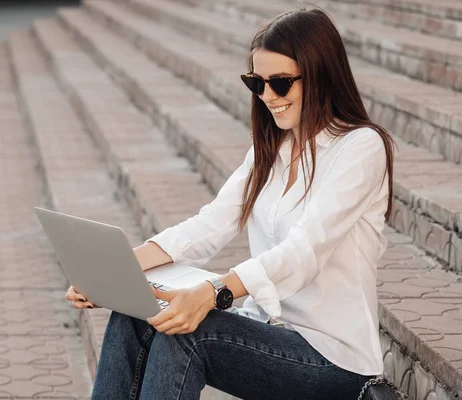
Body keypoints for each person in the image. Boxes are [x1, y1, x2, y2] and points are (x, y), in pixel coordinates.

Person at [66, 6, 396, 400]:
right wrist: (113, 269)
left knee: (187, 334)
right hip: (267, 333)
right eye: (257, 83)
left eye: (281, 82)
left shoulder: (360, 147)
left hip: (334, 359)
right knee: (135, 315)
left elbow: (304, 250)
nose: (268, 97)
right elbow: (211, 225)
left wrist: (214, 292)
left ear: (321, 74)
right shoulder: (273, 149)